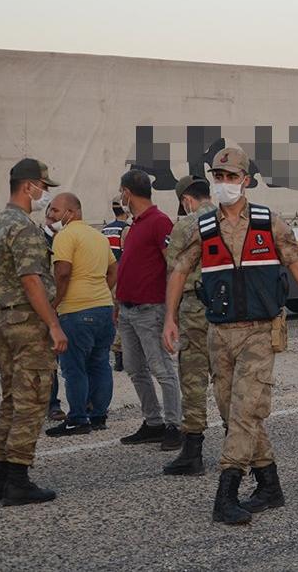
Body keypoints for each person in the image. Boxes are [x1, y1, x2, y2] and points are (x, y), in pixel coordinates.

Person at [162, 147, 298, 525]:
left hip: (259, 332)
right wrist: (170, 318)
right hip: (218, 334)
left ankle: (225, 494)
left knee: (244, 412)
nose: (224, 183)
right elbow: (178, 271)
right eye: (219, 177)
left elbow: (296, 265)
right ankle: (269, 484)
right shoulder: (202, 226)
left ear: (246, 180)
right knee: (233, 414)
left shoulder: (267, 221)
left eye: (230, 177)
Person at [0, 158, 68, 506]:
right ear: (28, 185)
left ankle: (1, 476)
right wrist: (53, 324)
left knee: (10, 400)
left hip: (3, 321)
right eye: (43, 187)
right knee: (31, 401)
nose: (44, 194)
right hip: (27, 324)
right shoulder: (24, 227)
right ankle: (18, 478)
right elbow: (31, 280)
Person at [115, 169, 182, 451]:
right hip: (129, 310)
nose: (120, 198)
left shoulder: (159, 222)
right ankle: (152, 421)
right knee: (134, 368)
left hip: (150, 309)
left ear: (127, 193)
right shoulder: (136, 224)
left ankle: (174, 425)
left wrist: (170, 312)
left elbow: (173, 265)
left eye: (121, 193)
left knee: (162, 368)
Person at [45, 193, 118, 437]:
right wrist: (99, 293)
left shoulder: (65, 236)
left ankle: (77, 418)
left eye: (55, 210)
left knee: (74, 368)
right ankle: (98, 415)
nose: (50, 216)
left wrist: (55, 303)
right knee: (100, 364)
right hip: (103, 308)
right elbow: (113, 270)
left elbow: (63, 273)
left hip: (75, 311)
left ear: (71, 212)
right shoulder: (98, 236)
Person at [162, 175, 217, 476]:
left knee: (194, 378)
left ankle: (192, 451)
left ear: (186, 200)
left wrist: (169, 316)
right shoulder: (229, 219)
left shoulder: (185, 224)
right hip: (227, 309)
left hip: (195, 307)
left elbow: (175, 271)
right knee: (228, 380)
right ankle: (240, 449)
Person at [41, 205, 66, 422]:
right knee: (50, 359)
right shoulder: (40, 239)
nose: (56, 217)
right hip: (48, 305)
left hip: (69, 304)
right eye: (54, 213)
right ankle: (51, 404)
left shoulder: (69, 237)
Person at [103, 194, 131, 372]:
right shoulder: (127, 229)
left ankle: (116, 356)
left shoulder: (105, 230)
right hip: (121, 276)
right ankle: (121, 355)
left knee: (112, 316)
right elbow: (129, 255)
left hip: (107, 277)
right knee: (122, 316)